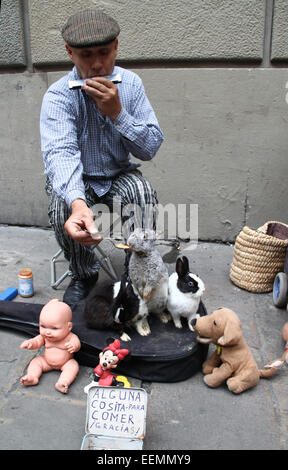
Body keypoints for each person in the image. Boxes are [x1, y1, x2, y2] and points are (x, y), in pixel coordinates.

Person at [40, 9, 164, 306]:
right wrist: (77, 203)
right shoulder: (58, 96)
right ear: (69, 52)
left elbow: (149, 149)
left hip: (117, 173)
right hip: (78, 177)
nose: (97, 64)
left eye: (104, 53)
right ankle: (84, 274)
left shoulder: (131, 85)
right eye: (85, 55)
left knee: (142, 193)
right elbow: (60, 153)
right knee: (62, 209)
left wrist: (117, 113)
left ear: (116, 47)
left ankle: (136, 269)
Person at [20, 299, 81, 394]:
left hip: (65, 362)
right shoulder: (45, 337)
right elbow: (37, 341)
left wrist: (74, 345)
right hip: (46, 362)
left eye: (54, 328)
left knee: (73, 366)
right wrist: (30, 343)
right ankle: (32, 377)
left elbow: (77, 344)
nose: (47, 332)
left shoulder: (70, 337)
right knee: (36, 361)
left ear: (69, 327)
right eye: (43, 326)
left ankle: (63, 382)